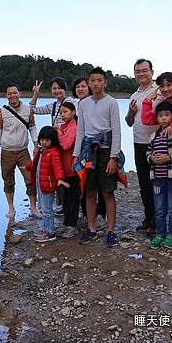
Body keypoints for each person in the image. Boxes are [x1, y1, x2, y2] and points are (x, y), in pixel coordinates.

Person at [72, 67, 125, 248]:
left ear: (105, 82)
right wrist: (76, 155)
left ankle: (111, 230)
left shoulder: (111, 102)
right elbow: (80, 131)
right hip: (89, 150)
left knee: (107, 191)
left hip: (105, 149)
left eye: (99, 80)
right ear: (88, 82)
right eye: (92, 80)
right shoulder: (84, 103)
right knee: (89, 191)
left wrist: (113, 157)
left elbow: (117, 131)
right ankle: (91, 228)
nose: (95, 84)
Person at [30, 77, 75, 215]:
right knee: (56, 171)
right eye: (54, 89)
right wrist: (36, 95)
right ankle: (61, 204)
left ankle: (68, 204)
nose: (57, 91)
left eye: (59, 88)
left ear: (64, 89)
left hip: (67, 140)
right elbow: (33, 110)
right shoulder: (53, 105)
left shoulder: (72, 103)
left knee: (67, 172)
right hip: (55, 142)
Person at [0, 84, 39, 219]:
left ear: (20, 94)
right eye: (9, 93)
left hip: (23, 151)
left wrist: (36, 146)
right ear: (6, 96)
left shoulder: (28, 110)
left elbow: (32, 128)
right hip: (6, 152)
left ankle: (33, 208)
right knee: (8, 181)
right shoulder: (1, 112)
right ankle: (11, 208)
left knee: (30, 179)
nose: (12, 95)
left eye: (15, 92)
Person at [124, 58, 158, 237]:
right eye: (138, 71)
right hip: (139, 143)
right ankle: (149, 218)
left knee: (158, 183)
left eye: (145, 70)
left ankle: (158, 222)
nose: (141, 74)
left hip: (158, 144)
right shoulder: (134, 95)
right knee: (144, 183)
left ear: (152, 71)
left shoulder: (159, 91)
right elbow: (129, 122)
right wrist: (130, 112)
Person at [145, 101, 172, 249]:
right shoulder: (154, 135)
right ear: (157, 118)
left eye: (167, 115)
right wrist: (151, 158)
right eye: (160, 116)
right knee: (159, 208)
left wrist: (169, 158)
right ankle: (160, 234)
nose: (164, 118)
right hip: (157, 179)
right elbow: (148, 152)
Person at [72, 75, 106, 225]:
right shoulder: (76, 105)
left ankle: (101, 215)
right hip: (83, 149)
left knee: (101, 183)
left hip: (99, 147)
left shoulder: (98, 103)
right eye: (78, 87)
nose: (80, 89)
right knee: (85, 182)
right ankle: (86, 214)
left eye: (83, 86)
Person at [26, 126, 68, 243]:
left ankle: (50, 232)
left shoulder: (53, 153)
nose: (44, 142)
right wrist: (27, 166)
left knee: (47, 210)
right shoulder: (41, 151)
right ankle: (45, 229)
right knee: (43, 208)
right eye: (42, 139)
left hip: (48, 185)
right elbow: (35, 163)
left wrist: (60, 178)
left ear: (53, 140)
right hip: (40, 184)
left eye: (47, 140)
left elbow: (57, 167)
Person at [56, 101, 79, 238]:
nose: (63, 115)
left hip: (72, 169)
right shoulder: (64, 126)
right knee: (65, 198)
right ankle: (66, 223)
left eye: (65, 112)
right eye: (61, 113)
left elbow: (66, 145)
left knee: (73, 198)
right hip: (63, 169)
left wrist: (58, 132)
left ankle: (72, 225)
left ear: (73, 112)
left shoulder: (74, 127)